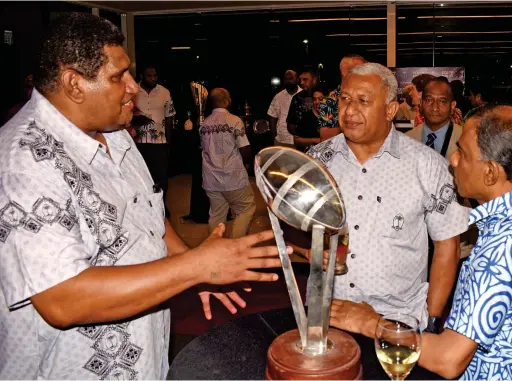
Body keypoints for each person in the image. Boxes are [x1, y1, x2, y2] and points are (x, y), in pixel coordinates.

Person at [0, 13, 285, 379]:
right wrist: (192, 268)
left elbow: (151, 220)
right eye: (119, 76)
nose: (133, 87)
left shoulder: (115, 134)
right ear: (74, 84)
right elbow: (61, 298)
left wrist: (194, 270)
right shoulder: (22, 161)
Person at [331, 104, 512, 380]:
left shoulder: (504, 246)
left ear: (490, 172)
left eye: (463, 154)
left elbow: (448, 359)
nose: (453, 160)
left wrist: (369, 322)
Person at [306, 63, 470, 333]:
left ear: (391, 110)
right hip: (328, 316)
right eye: (345, 99)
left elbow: (447, 247)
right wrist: (311, 250)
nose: (349, 110)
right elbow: (290, 227)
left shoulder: (427, 165)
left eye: (363, 101)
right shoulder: (316, 161)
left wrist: (431, 321)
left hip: (398, 323)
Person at [200, 88, 256, 238]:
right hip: (233, 177)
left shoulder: (204, 124)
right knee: (245, 209)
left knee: (216, 216)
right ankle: (236, 247)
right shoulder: (234, 121)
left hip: (211, 179)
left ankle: (214, 248)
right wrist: (250, 165)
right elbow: (245, 149)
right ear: (225, 101)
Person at [131, 65, 175, 218]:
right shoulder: (133, 90)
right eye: (150, 76)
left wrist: (168, 141)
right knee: (141, 176)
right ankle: (144, 208)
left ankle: (162, 206)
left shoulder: (164, 92)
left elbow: (169, 117)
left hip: (159, 142)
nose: (153, 78)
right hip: (138, 142)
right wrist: (136, 119)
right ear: (143, 75)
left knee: (161, 177)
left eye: (155, 75)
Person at [406, 77, 463, 159]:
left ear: (452, 106)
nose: (435, 107)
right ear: (421, 103)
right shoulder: (408, 139)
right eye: (429, 100)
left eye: (442, 101)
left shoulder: (465, 139)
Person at [318, 54, 366, 141]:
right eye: (361, 71)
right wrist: (350, 124)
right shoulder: (330, 100)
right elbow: (325, 136)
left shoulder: (370, 97)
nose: (366, 75)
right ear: (345, 73)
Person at [267, 70, 301, 148]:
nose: (289, 81)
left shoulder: (303, 95)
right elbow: (272, 117)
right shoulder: (278, 96)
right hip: (281, 140)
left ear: (297, 79)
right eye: (286, 79)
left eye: (291, 78)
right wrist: (274, 137)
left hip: (299, 140)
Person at [292, 86, 325, 152]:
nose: (317, 102)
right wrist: (315, 140)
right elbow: (297, 141)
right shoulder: (305, 117)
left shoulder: (332, 118)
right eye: (314, 99)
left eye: (320, 99)